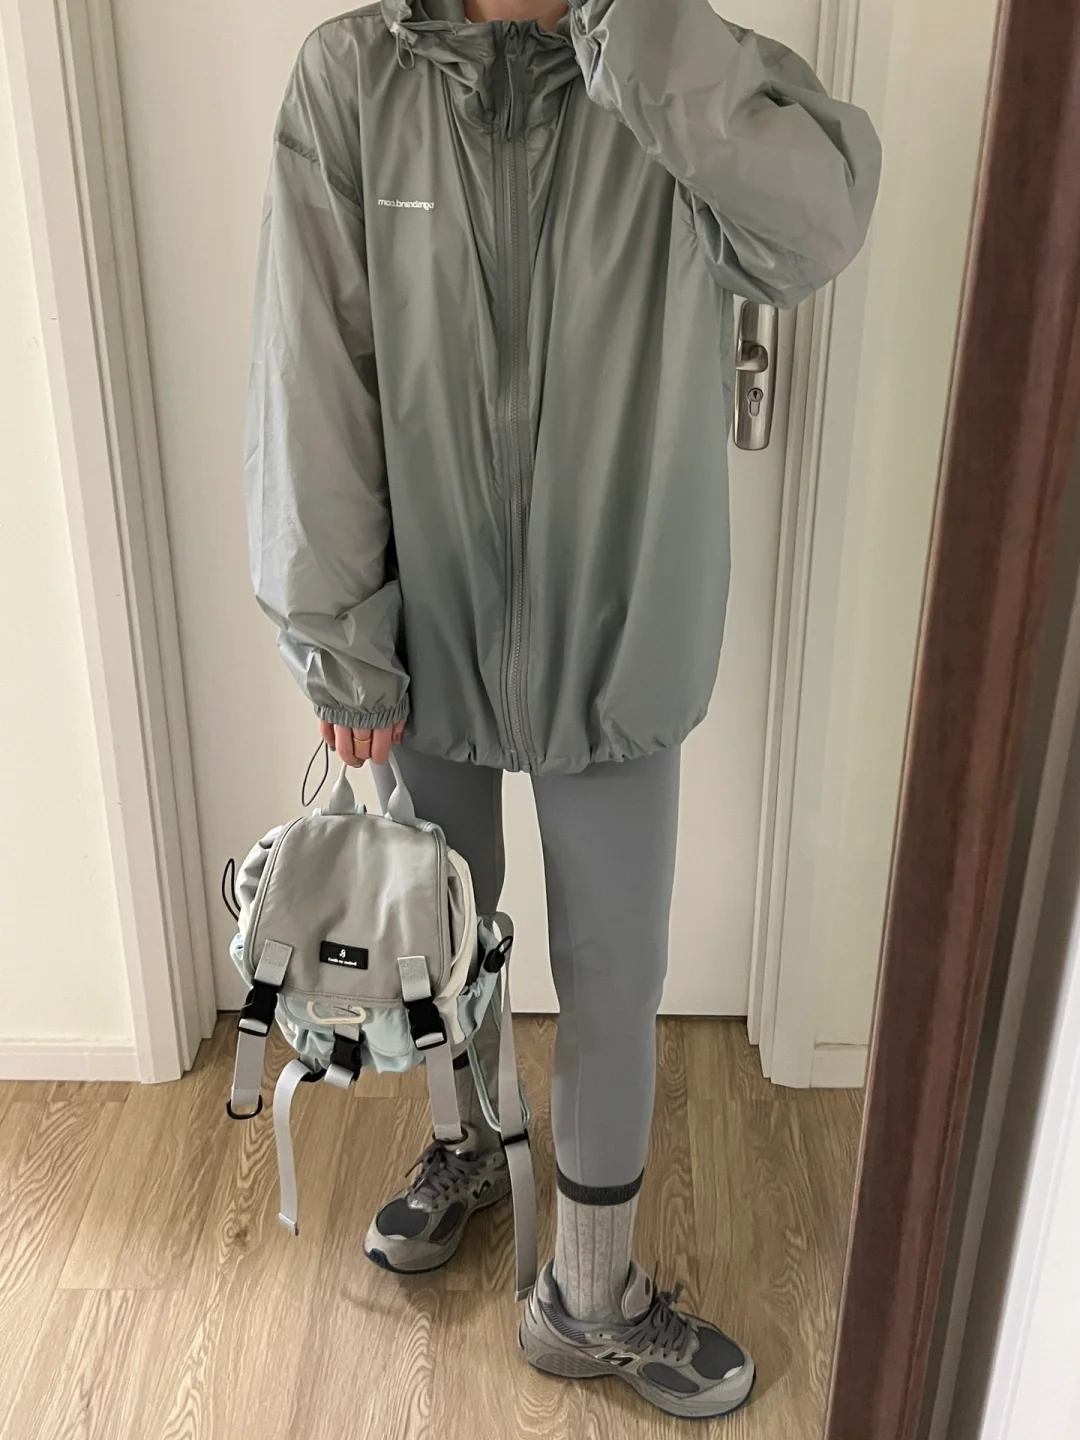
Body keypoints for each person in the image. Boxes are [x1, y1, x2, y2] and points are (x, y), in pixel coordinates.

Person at [245, 0, 879, 1419]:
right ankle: (474, 1146)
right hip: (427, 627)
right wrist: (340, 635)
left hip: (620, 623)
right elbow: (314, 364)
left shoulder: (667, 64)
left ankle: (589, 1300)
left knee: (612, 971)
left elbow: (817, 227)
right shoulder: (356, 78)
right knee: (441, 938)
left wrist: (642, 47)